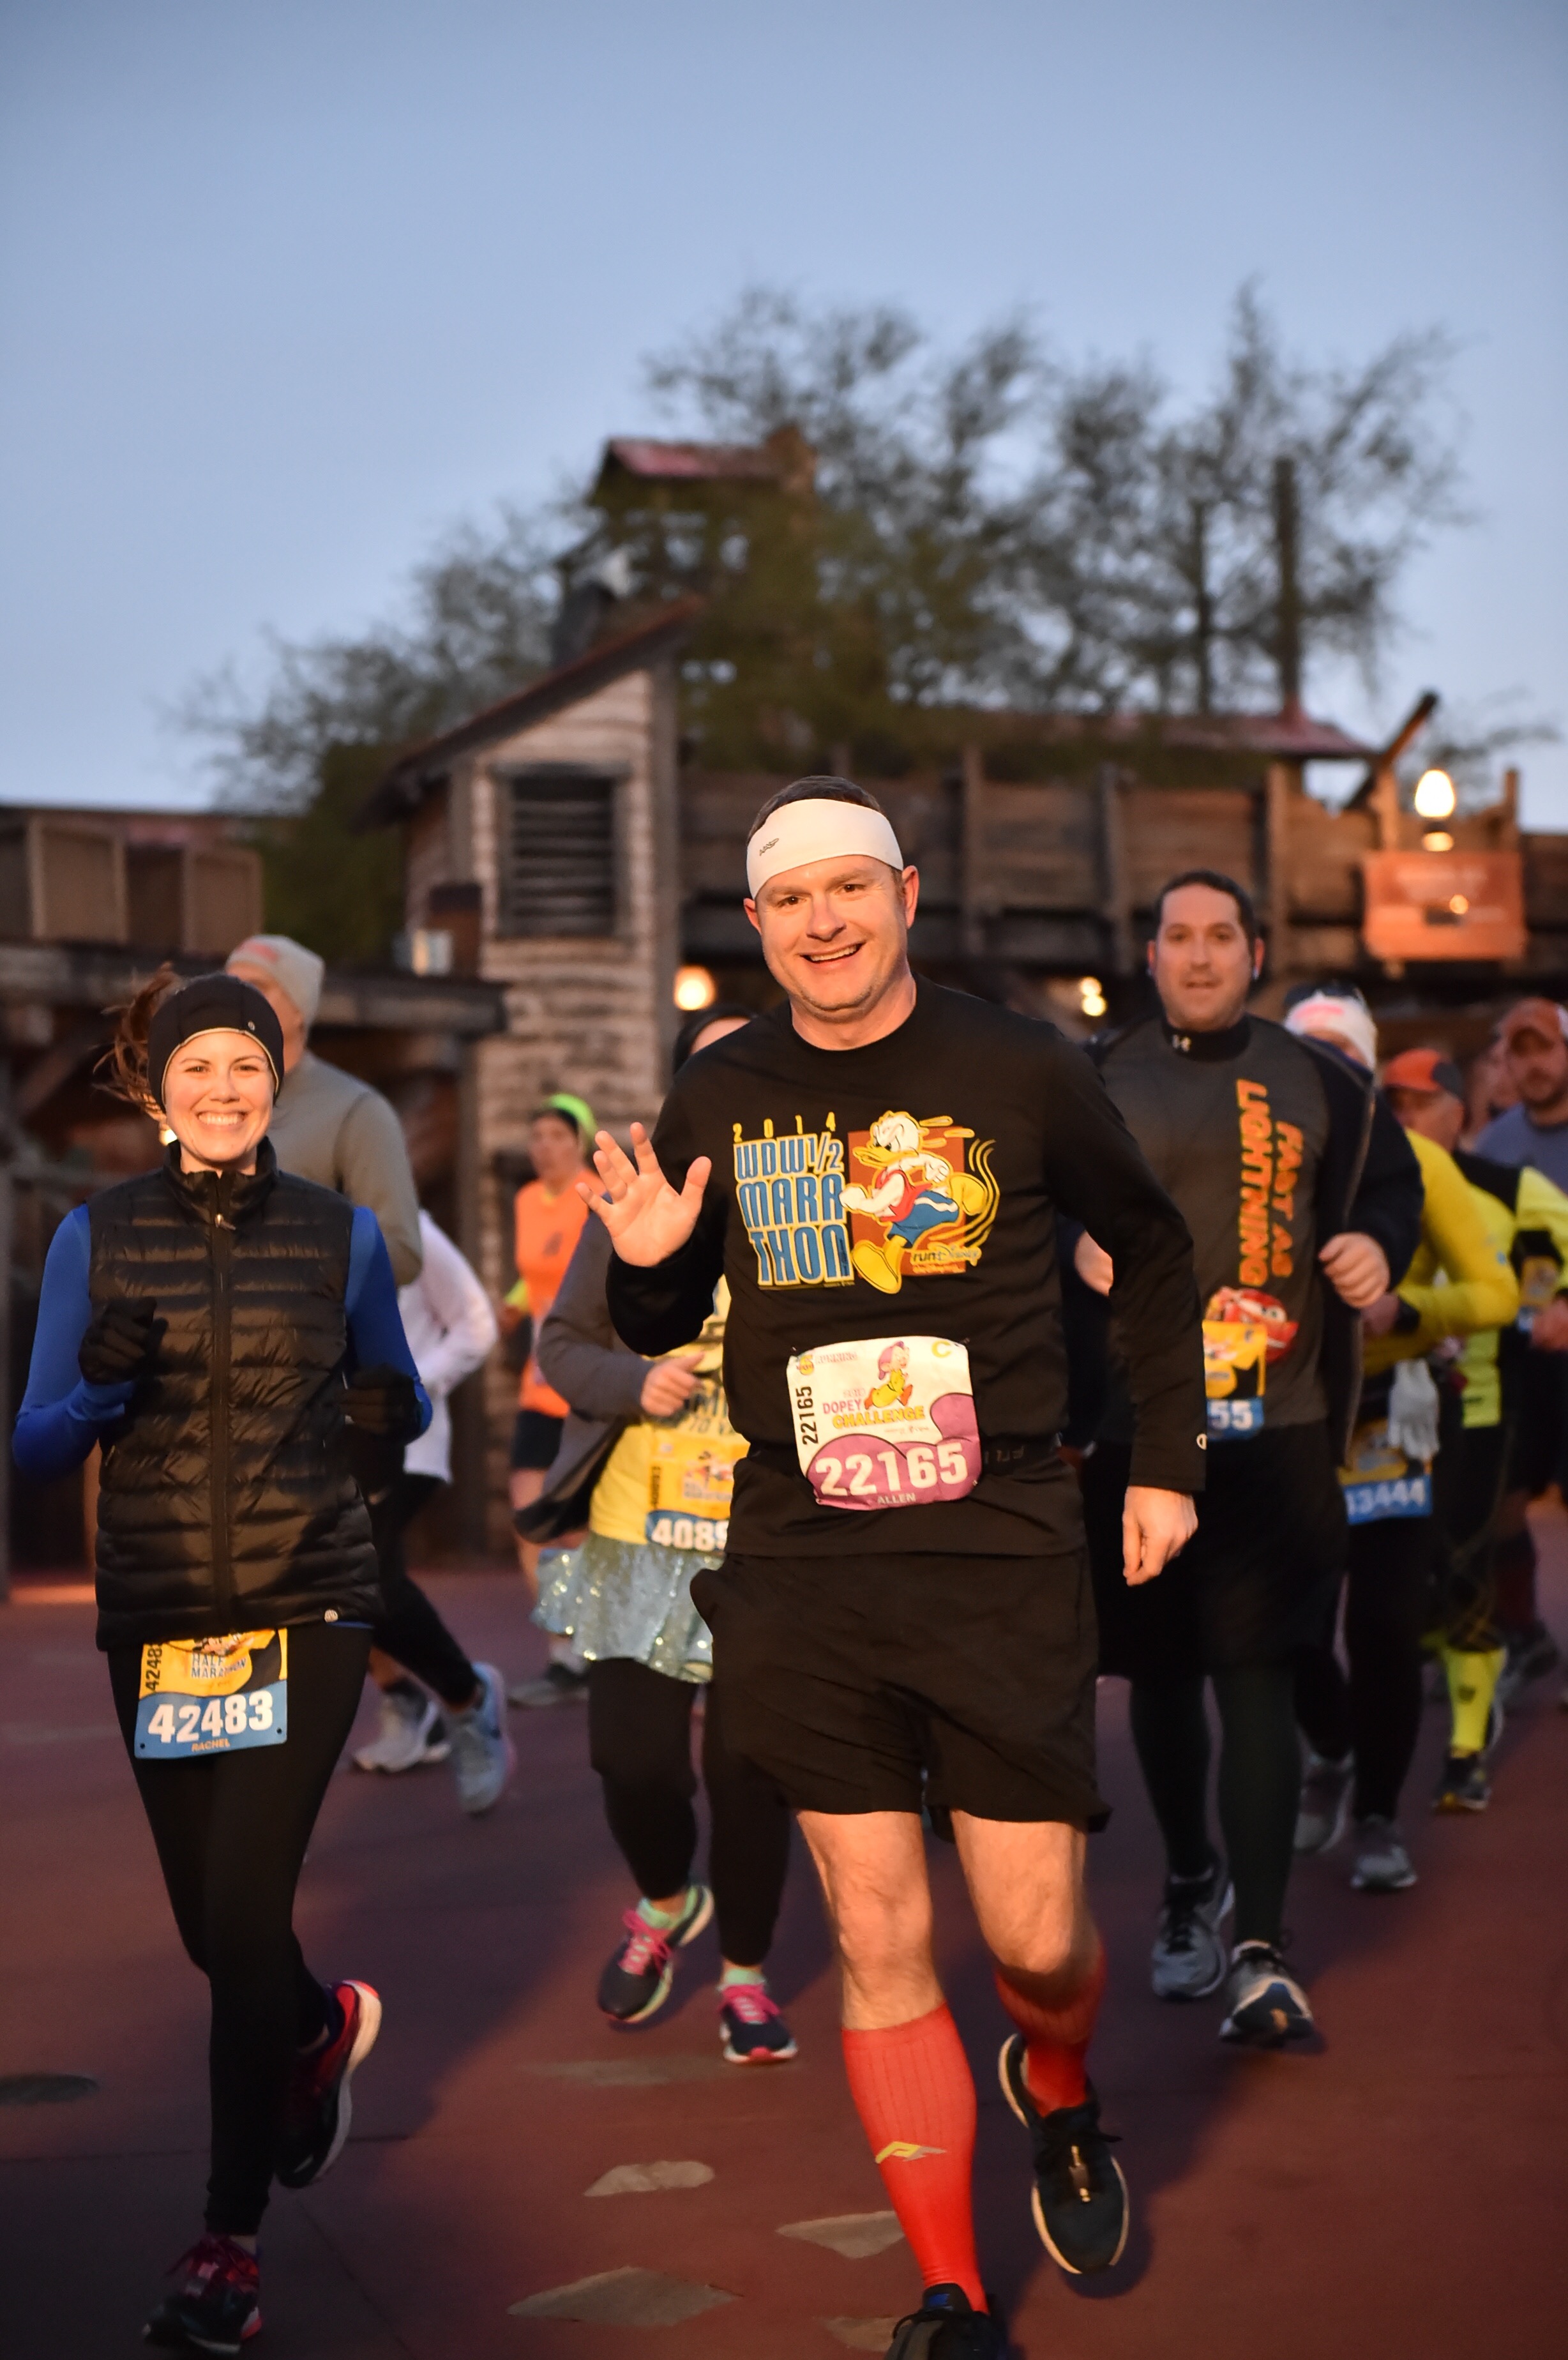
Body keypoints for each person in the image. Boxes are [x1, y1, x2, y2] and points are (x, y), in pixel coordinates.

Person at [585, 776, 1206, 2357]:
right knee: (874, 1932)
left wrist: (1164, 1460)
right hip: (801, 1548)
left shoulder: (1019, 1064)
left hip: (997, 1536)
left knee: (1034, 1941)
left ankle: (1055, 2082)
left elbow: (1148, 1248)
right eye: (791, 901)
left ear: (905, 896)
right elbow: (661, 1306)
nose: (824, 923)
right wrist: (645, 1278)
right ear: (756, 924)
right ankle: (949, 2296)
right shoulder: (720, 1090)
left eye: (849, 889)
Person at [12, 971, 430, 2356]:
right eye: (196, 1067)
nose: (222, 1088)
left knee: (245, 1918)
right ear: (158, 1092)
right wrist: (99, 1386)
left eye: (245, 1066)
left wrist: (382, 1407)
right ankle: (311, 2031)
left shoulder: (341, 1235)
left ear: (273, 1083)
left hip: (309, 1601)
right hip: (164, 1617)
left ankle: (227, 2242)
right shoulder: (93, 1235)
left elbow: (396, 1395)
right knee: (212, 1933)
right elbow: (36, 1445)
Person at [1077, 910, 1421, 2040]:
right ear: (1152, 957)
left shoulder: (1321, 1078)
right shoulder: (1095, 1070)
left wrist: (1377, 1242)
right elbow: (1016, 1196)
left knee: (1260, 1669)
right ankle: (1191, 1885)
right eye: (1178, 935)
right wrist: (1067, 1242)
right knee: (1162, 1674)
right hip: (1137, 1429)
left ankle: (1264, 1953)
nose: (1199, 953)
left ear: (1253, 956)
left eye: (1221, 935)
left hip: (1280, 1424)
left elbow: (1391, 1187)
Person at [526, 1003, 799, 2059]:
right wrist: (634, 1381)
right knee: (631, 1763)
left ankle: (746, 1975)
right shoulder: (631, 1203)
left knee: (749, 1774)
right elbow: (561, 1345)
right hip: (638, 1529)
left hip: (767, 1536)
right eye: (709, 1067)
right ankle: (665, 1901)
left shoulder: (809, 1203)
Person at [225, 933, 513, 1795]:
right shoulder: (209, 1104)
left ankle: (464, 1698)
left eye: (252, 986)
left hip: (354, 1400)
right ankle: (355, 1725)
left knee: (363, 1579)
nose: (231, 1000)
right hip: (244, 1400)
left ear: (297, 1009)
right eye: (224, 984)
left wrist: (285, 1266)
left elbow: (403, 1250)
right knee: (275, 1582)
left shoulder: (353, 1112)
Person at [1285, 1010, 1515, 1888]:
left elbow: (1495, 1293)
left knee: (1383, 1624)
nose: (1325, 1073)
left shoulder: (1418, 1161)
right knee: (1290, 1625)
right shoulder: (1254, 1165)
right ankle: (1333, 1749)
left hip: (1395, 1414)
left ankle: (1378, 1816)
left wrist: (1407, 1310)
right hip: (1289, 1415)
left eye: (1343, 1057)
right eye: (1306, 1055)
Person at [1381, 1048, 1568, 1799]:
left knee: (1465, 1566)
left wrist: (1556, 1302)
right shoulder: (1362, 1186)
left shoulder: (1506, 1187)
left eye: (1418, 1102)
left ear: (1458, 1109)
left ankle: (1464, 1754)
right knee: (1395, 1584)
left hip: (1478, 1405)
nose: (1403, 1116)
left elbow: (1555, 1255)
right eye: (1392, 1103)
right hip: (1375, 1414)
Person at [353, 1209, 512, 1813]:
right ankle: (403, 1698)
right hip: (326, 1448)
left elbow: (477, 1323)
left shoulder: (407, 1228)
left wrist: (413, 1387)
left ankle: (467, 1698)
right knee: (330, 1583)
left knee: (370, 1577)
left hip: (407, 1445)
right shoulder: (291, 1221)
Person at [1472, 999, 1568, 1694]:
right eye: (1519, 1052)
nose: (1533, 1065)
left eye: (1544, 1048)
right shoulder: (1496, 1144)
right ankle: (1524, 1635)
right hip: (1520, 1352)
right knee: (1500, 1497)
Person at [505, 1094, 594, 1700]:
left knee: (576, 1528)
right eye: (537, 1136)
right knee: (529, 1517)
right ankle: (563, 1648)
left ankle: (592, 1649)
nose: (545, 1147)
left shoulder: (599, 1196)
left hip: (587, 1385)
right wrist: (513, 1304)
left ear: (580, 1141)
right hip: (539, 1386)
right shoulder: (525, 1201)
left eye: (558, 1135)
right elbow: (535, 1273)